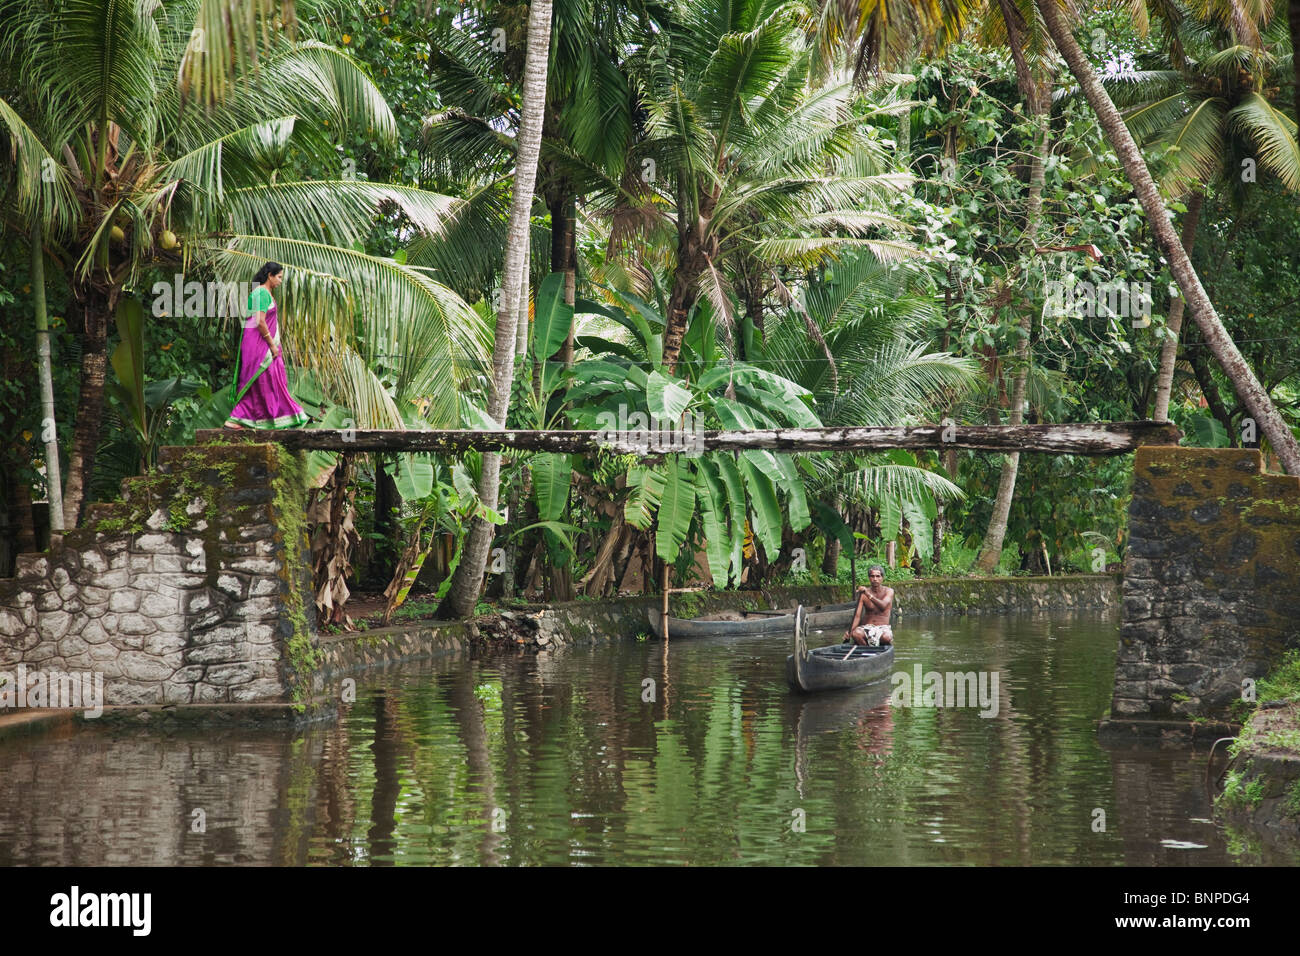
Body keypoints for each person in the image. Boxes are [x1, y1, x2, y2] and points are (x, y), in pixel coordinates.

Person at [224, 261, 310, 429]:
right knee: (266, 380)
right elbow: (260, 321)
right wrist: (271, 345)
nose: (280, 281)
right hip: (260, 345)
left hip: (256, 344)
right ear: (270, 276)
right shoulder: (262, 293)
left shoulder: (261, 292)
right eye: (278, 277)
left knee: (265, 382)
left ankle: (242, 419)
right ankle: (240, 418)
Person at [844, 565, 894, 646]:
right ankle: (866, 649)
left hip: (883, 628)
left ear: (882, 578)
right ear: (869, 578)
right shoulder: (863, 594)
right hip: (867, 627)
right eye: (872, 576)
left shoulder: (889, 591)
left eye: (878, 576)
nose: (875, 579)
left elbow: (883, 606)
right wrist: (850, 631)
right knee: (856, 634)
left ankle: (872, 649)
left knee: (886, 637)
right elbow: (857, 616)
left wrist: (868, 594)